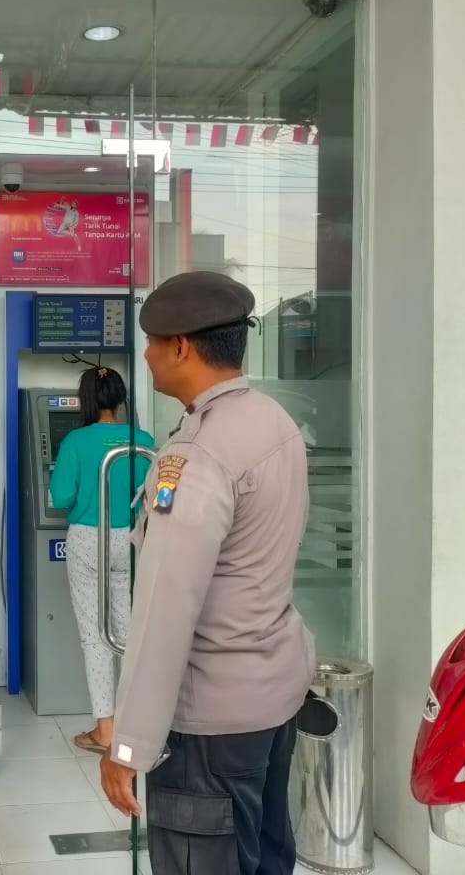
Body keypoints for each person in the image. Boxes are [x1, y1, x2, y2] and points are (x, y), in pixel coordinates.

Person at [98, 271, 315, 875]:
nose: (145, 355)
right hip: (272, 703)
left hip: (210, 726)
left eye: (152, 342)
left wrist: (129, 745)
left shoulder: (197, 455)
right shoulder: (274, 422)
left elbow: (166, 609)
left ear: (181, 347)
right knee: (265, 859)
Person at [47, 366, 154, 754]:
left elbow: (60, 497)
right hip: (128, 539)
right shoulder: (143, 440)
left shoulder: (75, 441)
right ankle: (135, 725)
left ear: (86, 400)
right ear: (120, 399)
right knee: (127, 631)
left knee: (95, 635)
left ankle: (105, 730)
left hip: (87, 540)